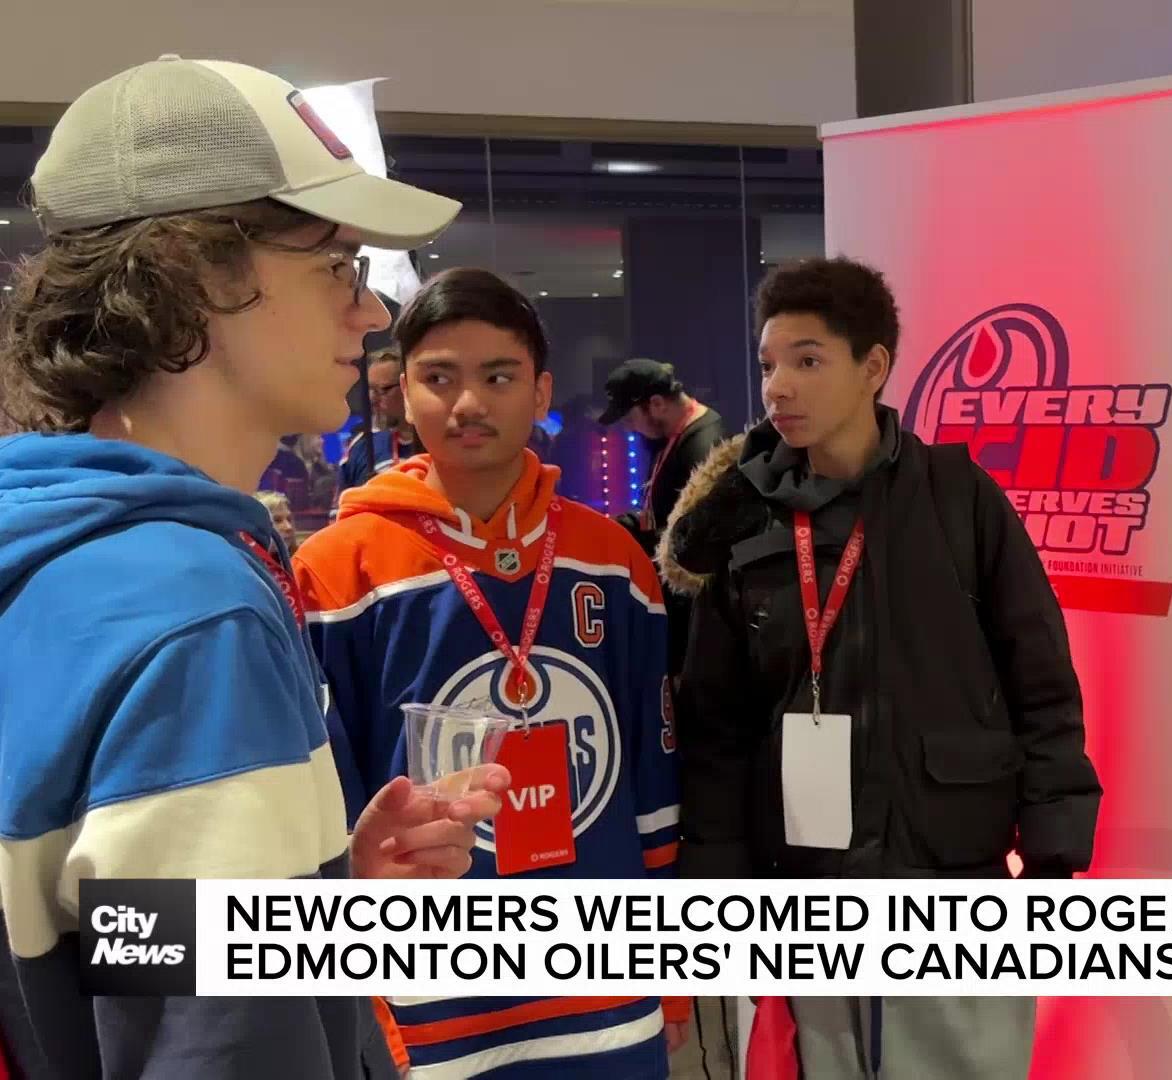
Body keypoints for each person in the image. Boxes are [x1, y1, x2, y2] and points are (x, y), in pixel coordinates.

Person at [0, 56, 506, 1079]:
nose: (371, 315)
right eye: (336, 266)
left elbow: (112, 952)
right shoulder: (195, 614)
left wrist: (312, 900)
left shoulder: (50, 560)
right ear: (193, 273)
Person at [661, 257, 1101, 1079]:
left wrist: (1052, 849)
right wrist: (715, 878)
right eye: (767, 365)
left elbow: (1040, 677)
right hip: (802, 874)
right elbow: (715, 721)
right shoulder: (745, 522)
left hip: (947, 863)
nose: (777, 387)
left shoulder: (956, 497)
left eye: (807, 360)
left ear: (874, 367)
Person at [292, 267, 689, 1078]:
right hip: (431, 1000)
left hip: (604, 988)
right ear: (402, 392)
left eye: (498, 377)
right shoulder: (338, 568)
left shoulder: (613, 559)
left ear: (540, 389)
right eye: (439, 377)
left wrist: (672, 972)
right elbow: (334, 797)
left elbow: (652, 781)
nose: (468, 403)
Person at [603, 357, 731, 672]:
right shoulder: (672, 438)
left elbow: (697, 545)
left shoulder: (703, 445)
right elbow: (660, 516)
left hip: (694, 614)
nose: (629, 429)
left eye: (629, 419)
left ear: (656, 404)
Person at [336, 345, 421, 496]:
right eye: (370, 389)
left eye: (383, 389)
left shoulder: (438, 444)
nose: (372, 398)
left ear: (407, 387)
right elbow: (340, 514)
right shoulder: (361, 448)